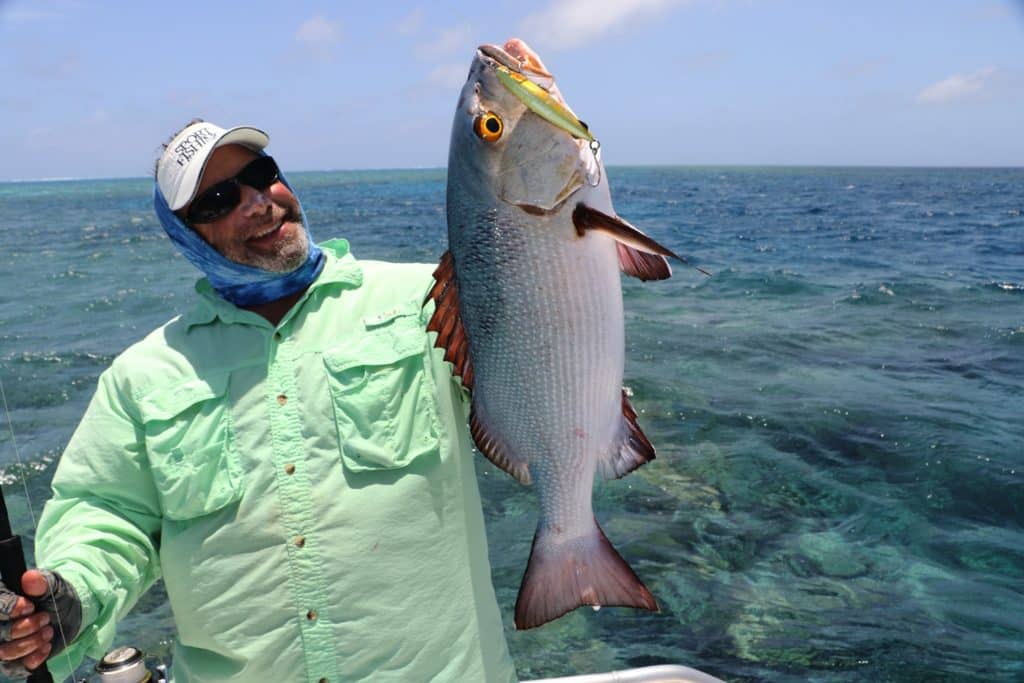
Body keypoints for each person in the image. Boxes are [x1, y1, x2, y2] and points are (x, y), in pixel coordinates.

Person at [0, 121, 517, 682]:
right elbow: (106, 516)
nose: (256, 203)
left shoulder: (431, 300)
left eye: (260, 175)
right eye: (219, 200)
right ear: (185, 235)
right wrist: (69, 596)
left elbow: (540, 377)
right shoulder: (142, 376)